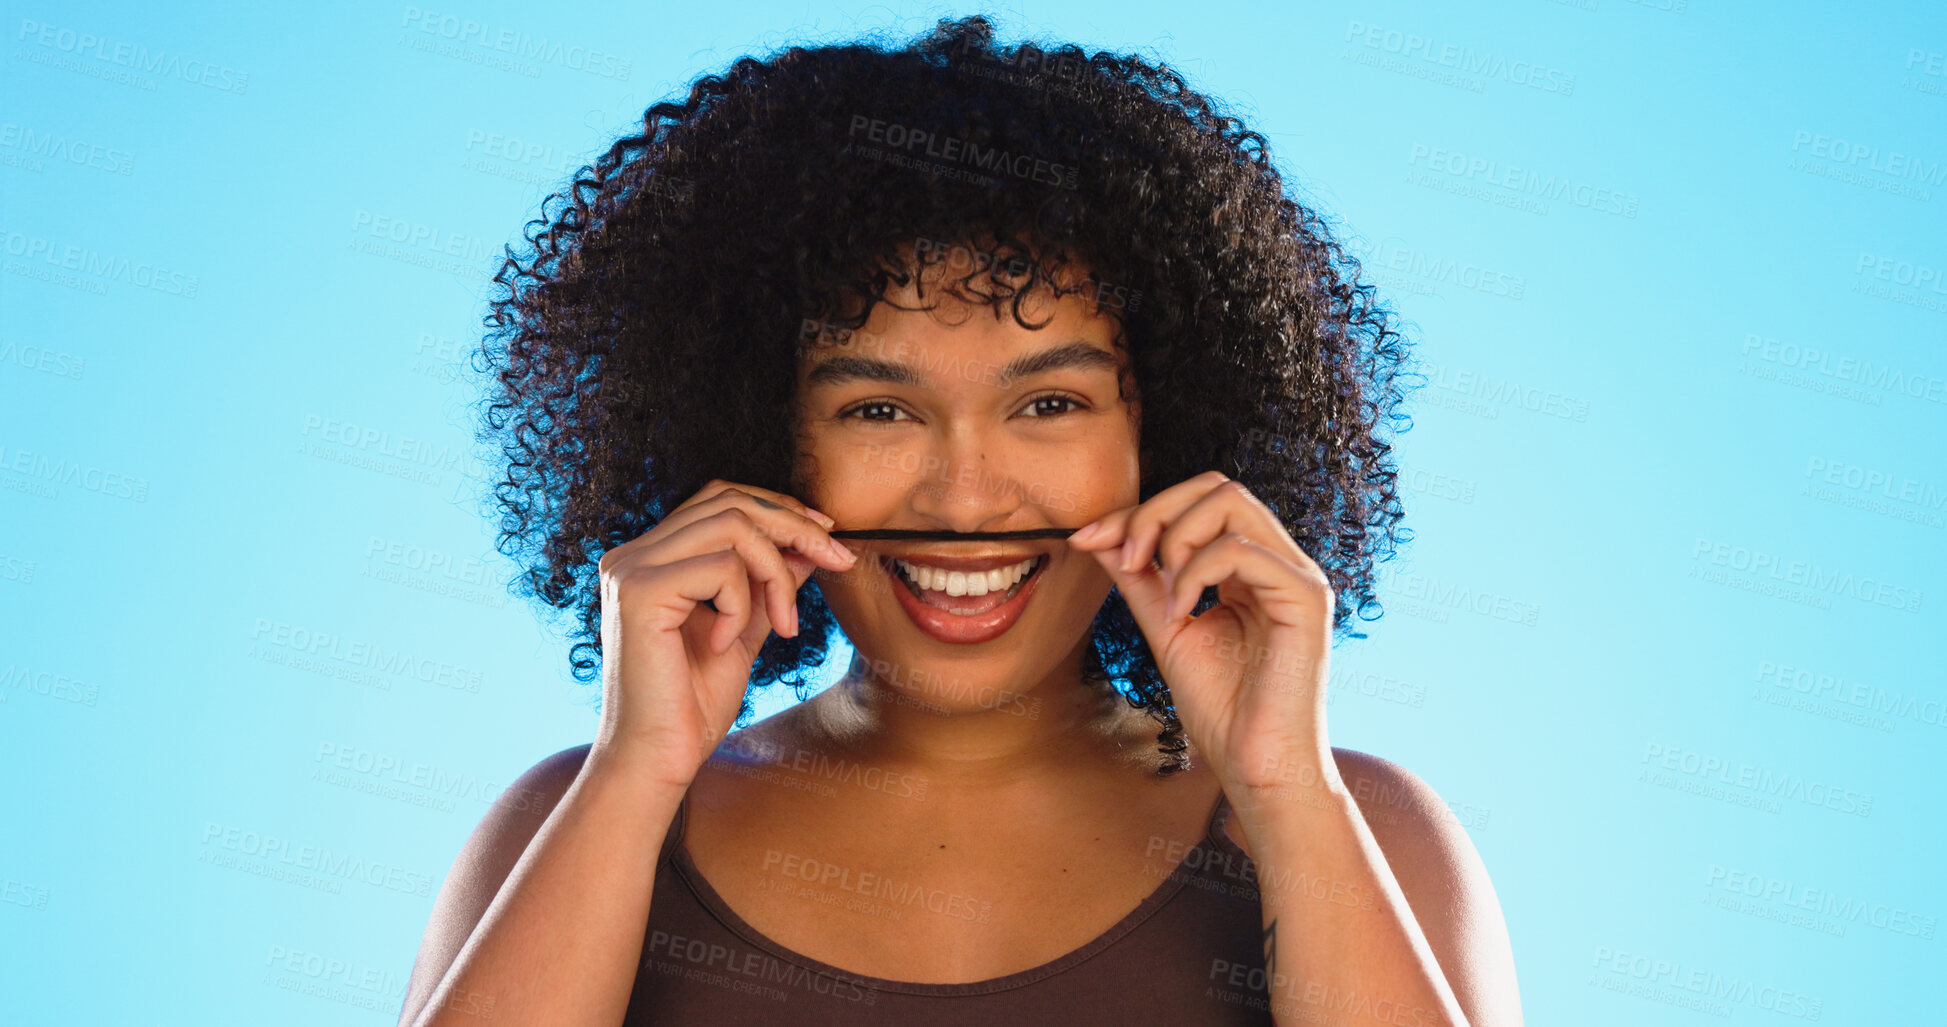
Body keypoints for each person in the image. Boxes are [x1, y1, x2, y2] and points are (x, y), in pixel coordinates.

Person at [398, 15, 1521, 1026]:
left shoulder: (1361, 826)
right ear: (759, 441)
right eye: (879, 407)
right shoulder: (576, 817)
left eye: (1049, 403)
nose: (966, 496)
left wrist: (1283, 794)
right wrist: (636, 770)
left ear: (1167, 440)